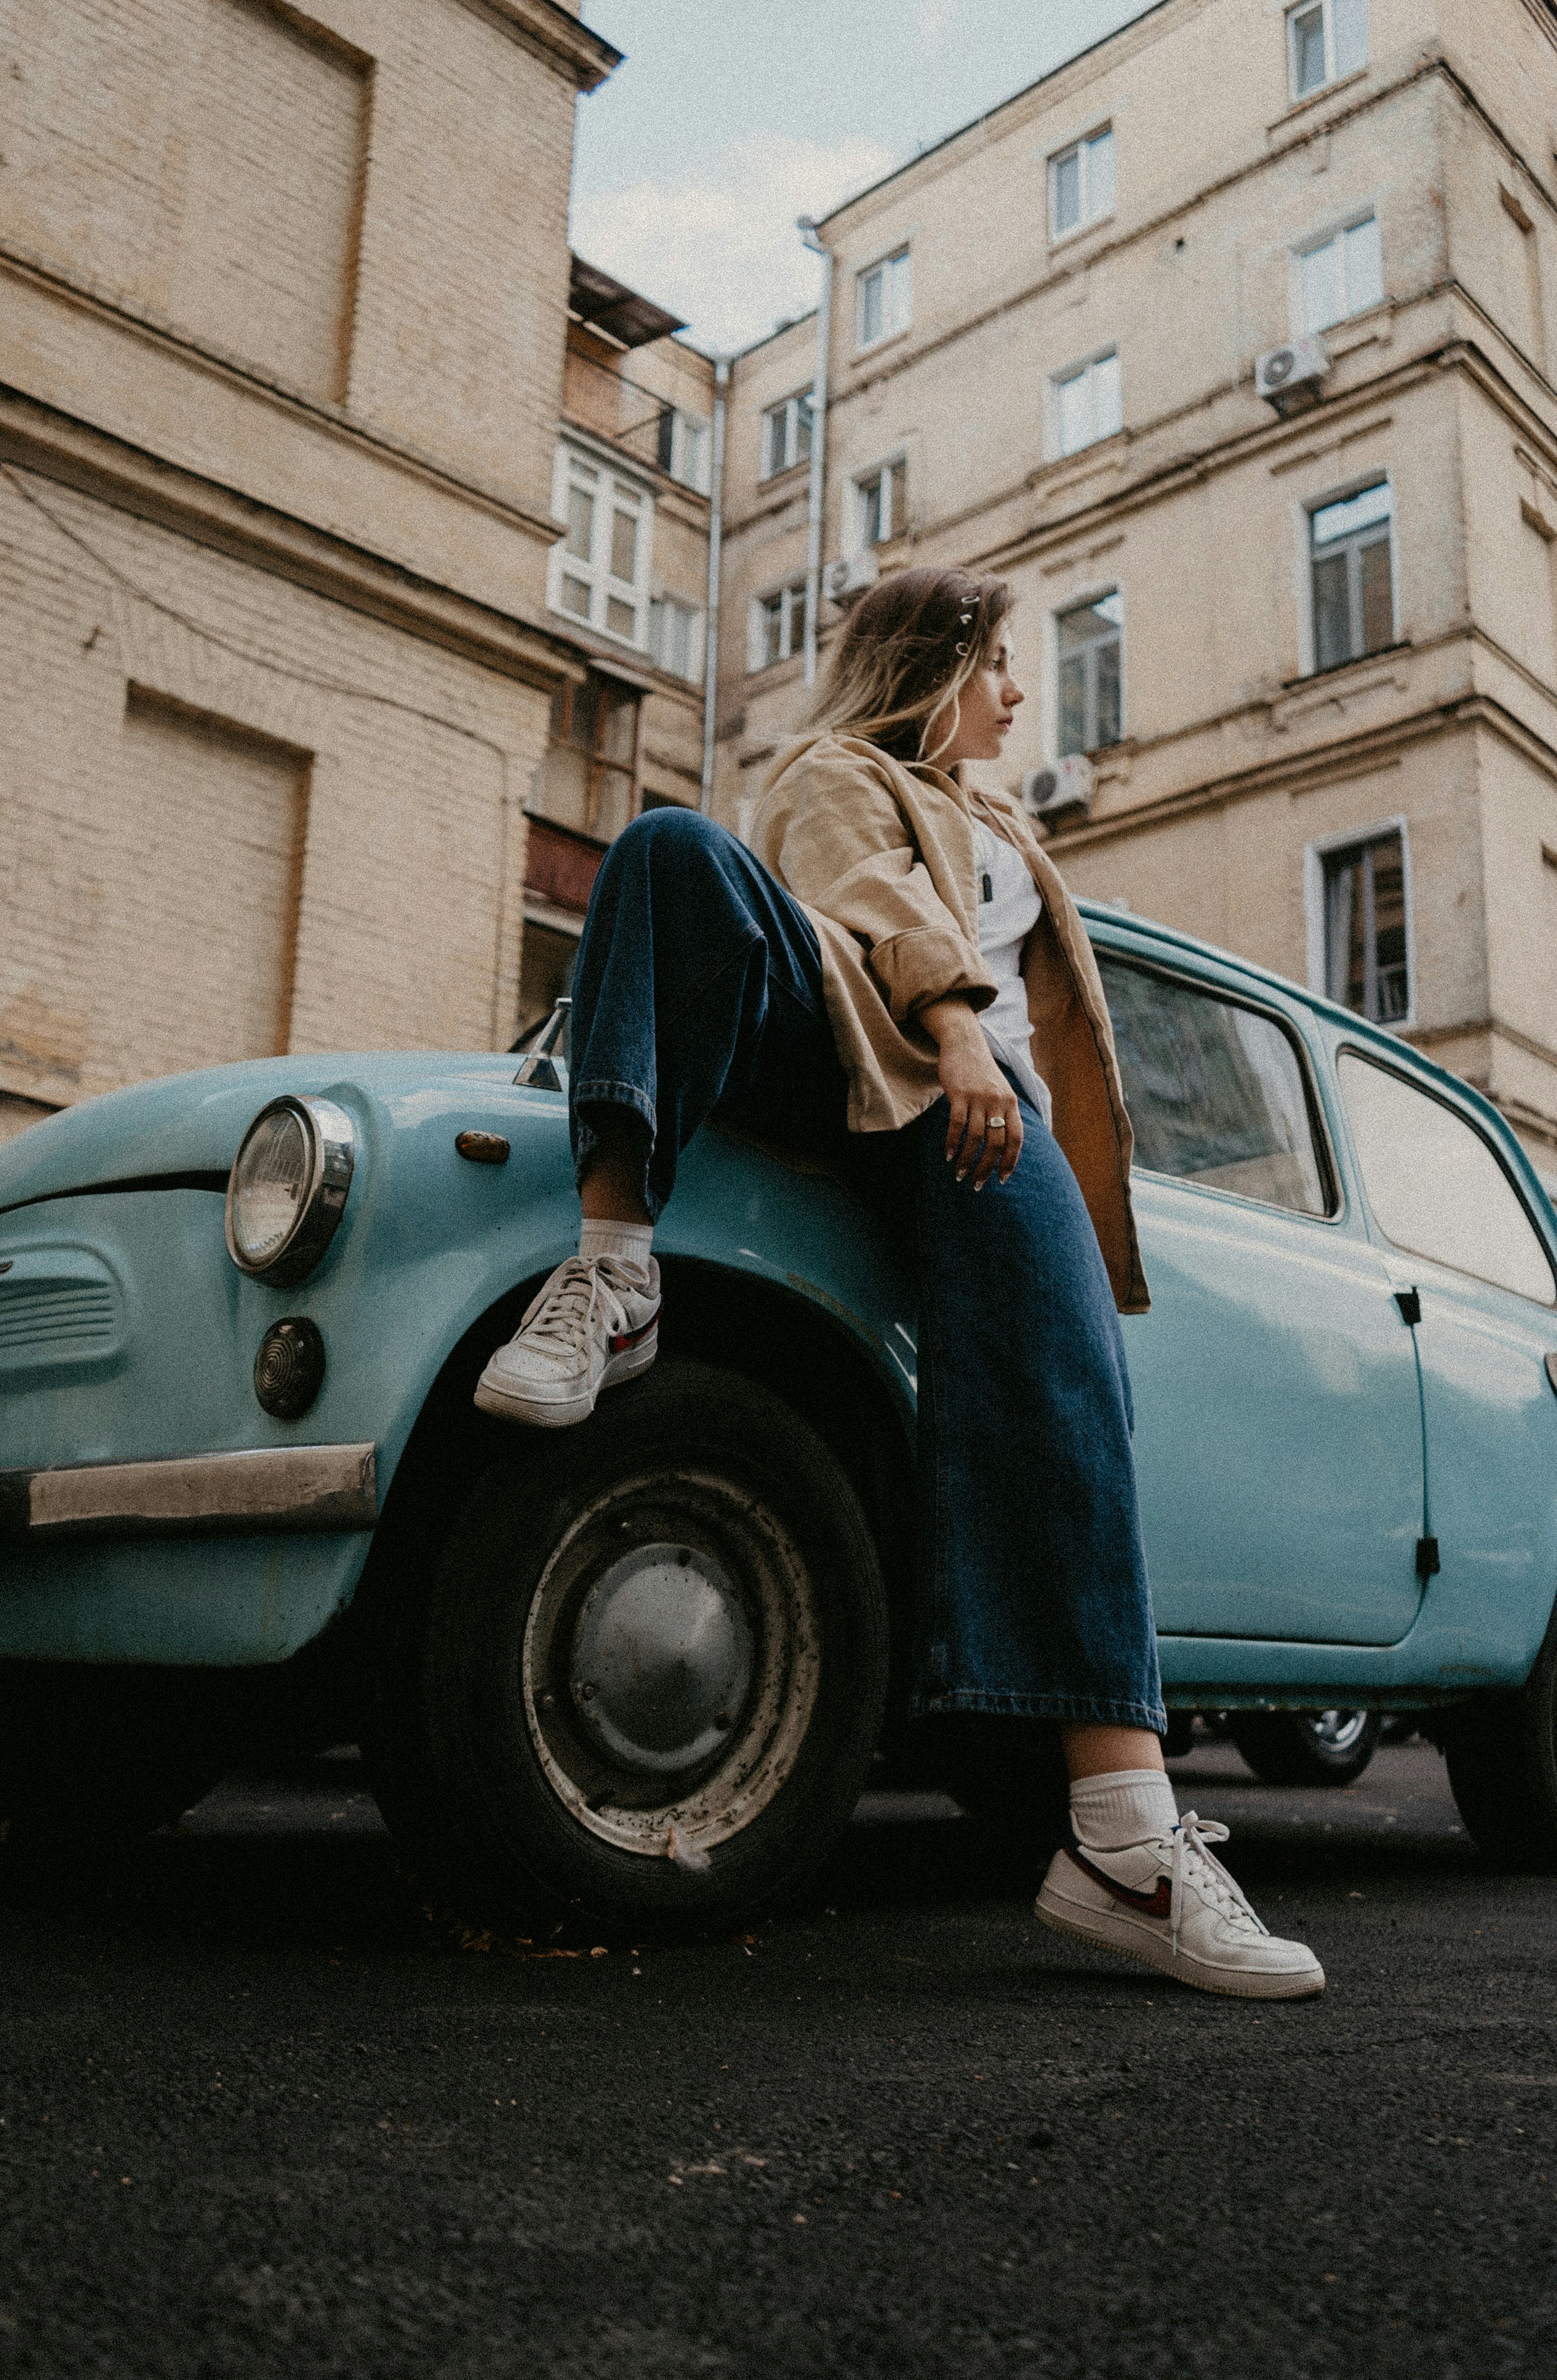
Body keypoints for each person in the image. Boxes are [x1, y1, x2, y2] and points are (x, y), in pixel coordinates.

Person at [476, 567, 1324, 2002]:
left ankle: (1120, 1839)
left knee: (1065, 1390)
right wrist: (960, 1033)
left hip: (982, 1121)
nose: (1013, 691)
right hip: (876, 1053)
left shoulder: (1009, 823)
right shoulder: (831, 770)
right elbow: (857, 893)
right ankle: (613, 1268)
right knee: (672, 847)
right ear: (930, 667)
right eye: (996, 662)